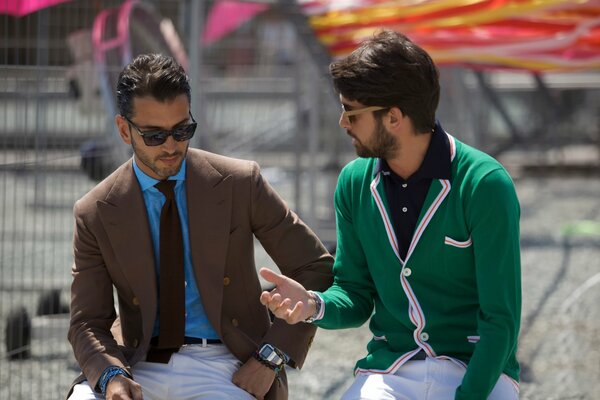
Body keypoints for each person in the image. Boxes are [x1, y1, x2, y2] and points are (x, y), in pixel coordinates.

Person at [260, 30, 521, 400]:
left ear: (394, 117)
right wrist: (313, 305)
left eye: (351, 112)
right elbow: (355, 294)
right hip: (392, 369)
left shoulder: (485, 184)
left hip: (480, 368)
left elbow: (501, 319)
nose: (343, 123)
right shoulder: (353, 183)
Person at [67, 53, 333, 400]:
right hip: (137, 361)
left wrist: (270, 359)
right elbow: (87, 322)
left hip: (227, 363)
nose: (172, 145)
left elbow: (314, 267)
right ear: (123, 130)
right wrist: (111, 376)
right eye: (154, 136)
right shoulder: (95, 211)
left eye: (183, 130)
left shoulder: (240, 182)